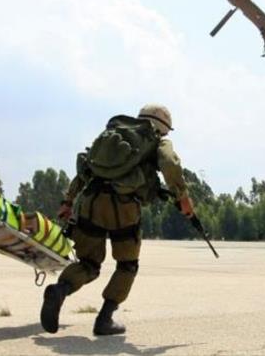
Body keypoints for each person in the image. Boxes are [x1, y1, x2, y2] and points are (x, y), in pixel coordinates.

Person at [40, 104, 196, 336]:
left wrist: (68, 201)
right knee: (127, 265)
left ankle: (60, 290)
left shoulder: (113, 133)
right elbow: (170, 163)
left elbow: (86, 167)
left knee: (88, 264)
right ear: (162, 127)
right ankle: (104, 319)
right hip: (123, 208)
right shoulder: (155, 139)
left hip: (91, 202)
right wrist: (182, 196)